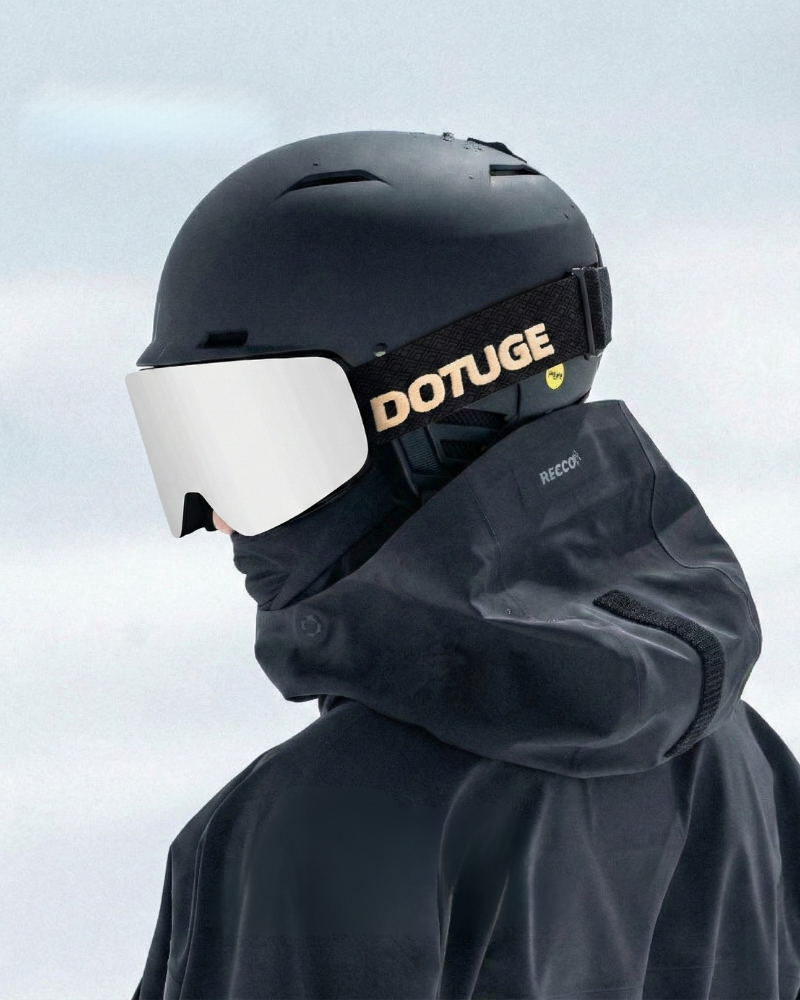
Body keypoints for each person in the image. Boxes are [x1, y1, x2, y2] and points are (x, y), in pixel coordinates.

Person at [128, 131, 800, 999]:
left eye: (255, 444)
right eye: (188, 446)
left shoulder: (313, 832)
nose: (213, 516)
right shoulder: (737, 756)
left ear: (426, 412)